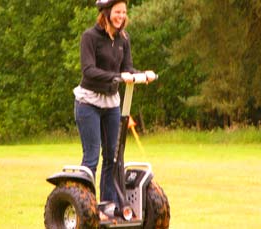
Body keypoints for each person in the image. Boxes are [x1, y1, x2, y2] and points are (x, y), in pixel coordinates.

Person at [73, 0, 155, 213]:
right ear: (107, 13)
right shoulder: (90, 37)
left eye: (124, 12)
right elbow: (88, 70)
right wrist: (118, 76)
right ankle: (86, 208)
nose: (121, 16)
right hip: (88, 102)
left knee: (113, 156)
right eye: (117, 12)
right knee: (91, 156)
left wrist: (142, 74)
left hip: (111, 103)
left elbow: (127, 68)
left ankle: (107, 205)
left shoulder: (123, 40)